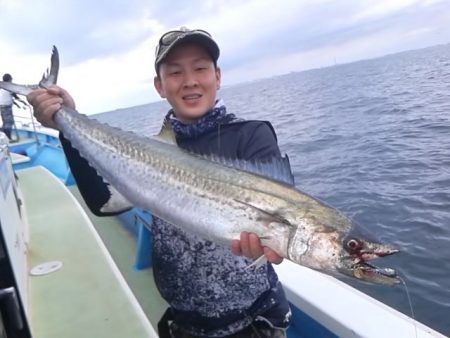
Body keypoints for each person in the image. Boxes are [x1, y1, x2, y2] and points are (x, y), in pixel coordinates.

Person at [27, 28, 292, 338]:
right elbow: (104, 203)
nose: (190, 80)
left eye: (200, 68)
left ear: (217, 76)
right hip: (184, 326)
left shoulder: (251, 136)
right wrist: (65, 122)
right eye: (175, 72)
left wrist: (273, 243)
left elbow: (280, 216)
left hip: (255, 323)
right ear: (159, 86)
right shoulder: (151, 152)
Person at [0, 73, 26, 140]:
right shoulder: (9, 87)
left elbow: (9, 97)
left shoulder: (2, 86)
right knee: (9, 122)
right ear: (9, 80)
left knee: (5, 122)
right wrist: (23, 102)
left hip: (2, 106)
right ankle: (8, 138)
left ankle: (3, 133)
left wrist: (17, 104)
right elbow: (15, 96)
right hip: (6, 107)